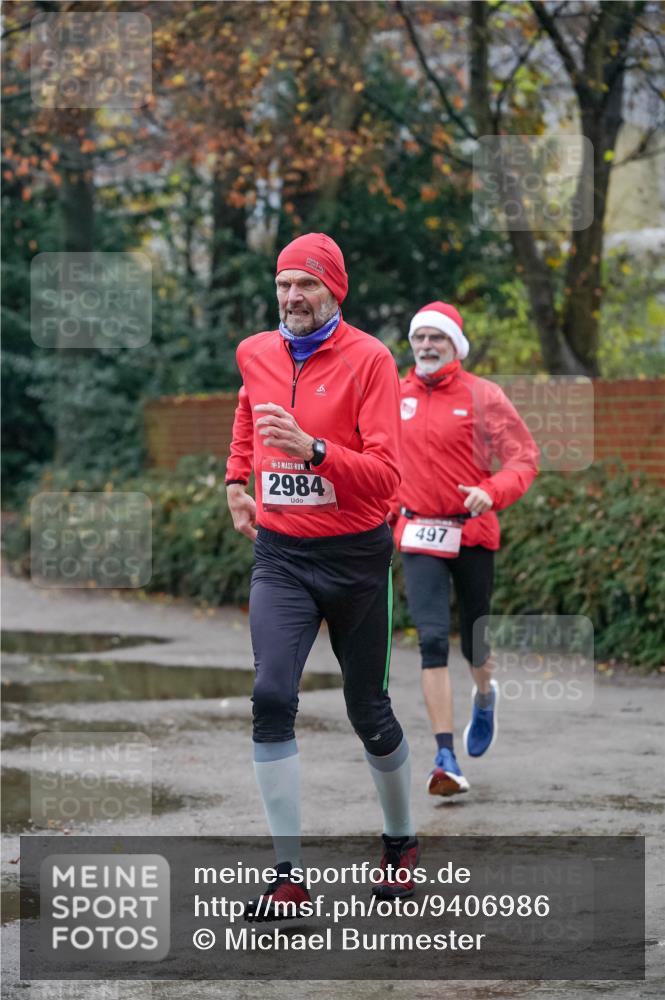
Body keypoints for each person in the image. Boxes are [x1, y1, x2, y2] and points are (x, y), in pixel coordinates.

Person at [225, 233, 418, 920]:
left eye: (305, 284)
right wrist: (235, 479)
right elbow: (251, 412)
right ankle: (287, 875)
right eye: (283, 285)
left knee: (368, 711)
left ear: (334, 290)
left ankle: (400, 846)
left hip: (358, 557)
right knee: (272, 696)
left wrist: (313, 452)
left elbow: (387, 476)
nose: (292, 297)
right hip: (281, 555)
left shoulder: (370, 359)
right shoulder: (255, 351)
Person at [392, 301, 539, 799]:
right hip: (418, 535)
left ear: (456, 345)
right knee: (432, 640)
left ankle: (484, 695)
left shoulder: (482, 395)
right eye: (419, 338)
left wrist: (491, 491)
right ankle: (444, 756)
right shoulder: (394, 394)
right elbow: (373, 458)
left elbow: (523, 458)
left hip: (472, 532)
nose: (427, 346)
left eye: (438, 338)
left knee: (474, 640)